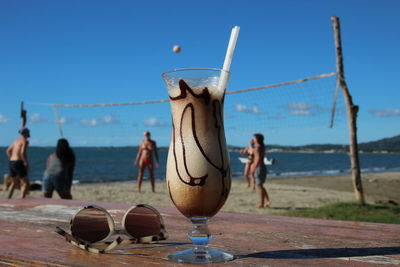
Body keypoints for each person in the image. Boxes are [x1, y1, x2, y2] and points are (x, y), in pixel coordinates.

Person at [6, 128, 30, 199]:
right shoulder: (24, 141)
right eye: (28, 132)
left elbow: (8, 151)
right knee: (25, 183)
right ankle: (21, 199)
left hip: (12, 162)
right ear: (25, 133)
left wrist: (11, 159)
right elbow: (22, 153)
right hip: (18, 162)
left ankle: (8, 198)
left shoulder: (16, 141)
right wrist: (25, 162)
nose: (29, 133)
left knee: (14, 183)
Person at [251, 133, 271, 208]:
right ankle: (267, 201)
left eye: (255, 138)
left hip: (259, 168)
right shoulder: (261, 146)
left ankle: (262, 203)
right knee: (261, 186)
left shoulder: (258, 147)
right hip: (262, 167)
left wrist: (253, 168)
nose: (253, 139)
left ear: (257, 139)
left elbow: (258, 159)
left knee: (259, 186)